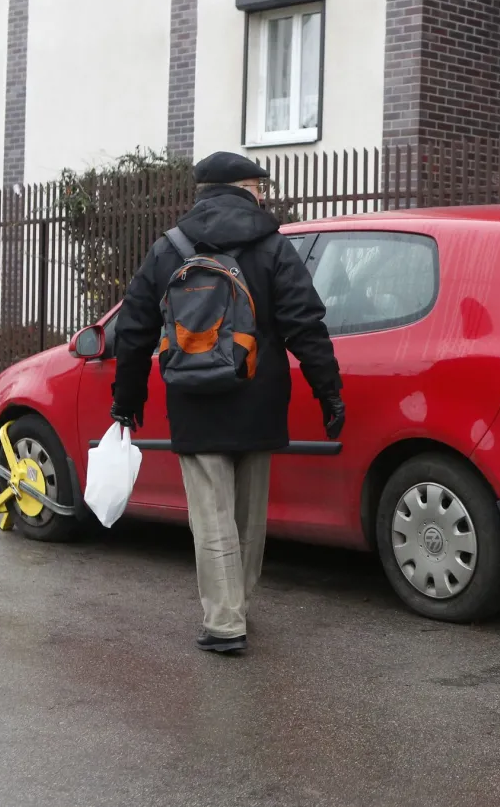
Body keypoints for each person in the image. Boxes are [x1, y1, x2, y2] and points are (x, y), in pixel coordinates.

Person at [111, 152, 346, 654]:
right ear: (246, 189)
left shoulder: (169, 249)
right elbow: (305, 323)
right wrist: (328, 390)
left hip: (193, 399)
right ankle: (237, 607)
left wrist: (127, 399)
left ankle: (224, 621)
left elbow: (132, 330)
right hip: (258, 395)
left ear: (203, 193)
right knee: (248, 516)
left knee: (210, 515)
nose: (262, 194)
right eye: (258, 187)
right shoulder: (272, 247)